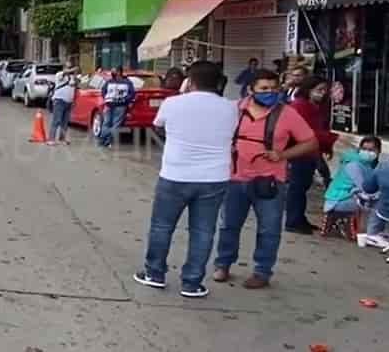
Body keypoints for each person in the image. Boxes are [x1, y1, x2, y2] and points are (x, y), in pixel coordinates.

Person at [133, 61, 238, 298]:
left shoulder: (173, 103)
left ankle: (154, 274)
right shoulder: (231, 108)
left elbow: (158, 125)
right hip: (214, 178)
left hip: (175, 175)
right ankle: (191, 283)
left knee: (162, 226)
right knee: (203, 231)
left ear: (189, 81)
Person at [213, 69, 318, 289]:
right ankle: (223, 264)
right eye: (264, 89)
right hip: (235, 178)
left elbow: (310, 142)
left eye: (274, 88)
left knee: (269, 229)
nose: (270, 93)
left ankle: (262, 271)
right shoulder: (234, 109)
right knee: (228, 226)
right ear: (251, 90)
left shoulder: (287, 114)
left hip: (270, 180)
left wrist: (283, 155)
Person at [286, 76, 337, 234]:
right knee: (297, 187)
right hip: (299, 152)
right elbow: (305, 131)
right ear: (309, 90)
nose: (322, 94)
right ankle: (293, 221)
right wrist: (331, 138)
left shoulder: (315, 106)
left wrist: (326, 145)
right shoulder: (300, 106)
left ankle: (299, 218)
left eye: (324, 90)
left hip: (310, 152)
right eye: (319, 90)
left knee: (302, 186)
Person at [323, 137, 387, 244]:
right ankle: (373, 234)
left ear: (378, 151)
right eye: (364, 149)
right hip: (338, 200)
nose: (367, 152)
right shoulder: (354, 165)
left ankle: (375, 232)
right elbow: (365, 188)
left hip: (343, 197)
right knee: (378, 204)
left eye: (371, 150)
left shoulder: (367, 165)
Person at [363, 143, 389, 245]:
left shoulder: (382, 166)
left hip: (386, 211)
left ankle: (372, 234)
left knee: (378, 200)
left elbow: (368, 188)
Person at [98, 67, 136, 148]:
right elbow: (103, 91)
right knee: (111, 124)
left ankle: (103, 139)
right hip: (114, 105)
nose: (112, 72)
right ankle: (106, 141)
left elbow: (132, 94)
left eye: (114, 71)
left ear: (119, 72)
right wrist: (125, 100)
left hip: (119, 106)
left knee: (111, 124)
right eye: (112, 70)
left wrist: (124, 100)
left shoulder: (124, 82)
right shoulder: (113, 81)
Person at [47, 64, 77, 146]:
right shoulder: (59, 75)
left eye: (70, 67)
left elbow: (74, 87)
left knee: (65, 122)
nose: (70, 69)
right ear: (64, 68)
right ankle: (51, 139)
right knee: (56, 120)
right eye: (68, 67)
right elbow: (65, 72)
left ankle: (62, 138)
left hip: (68, 102)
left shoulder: (71, 78)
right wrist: (72, 70)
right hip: (59, 101)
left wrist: (75, 76)